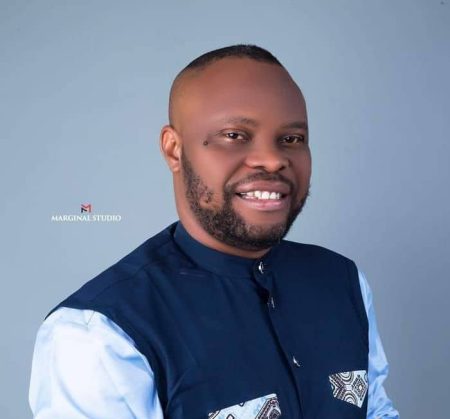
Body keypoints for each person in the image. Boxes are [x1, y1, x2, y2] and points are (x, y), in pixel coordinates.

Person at [29, 44, 399, 418]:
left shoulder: (342, 281)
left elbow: (376, 410)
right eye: (234, 135)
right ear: (174, 150)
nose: (273, 160)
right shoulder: (99, 333)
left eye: (291, 139)